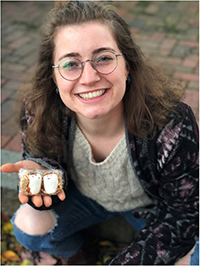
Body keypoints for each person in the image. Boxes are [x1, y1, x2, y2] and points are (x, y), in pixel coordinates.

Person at [1, 1, 199, 265]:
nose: (89, 77)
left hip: (152, 210)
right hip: (83, 200)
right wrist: (44, 177)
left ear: (127, 65)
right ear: (54, 78)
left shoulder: (171, 120)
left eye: (104, 58)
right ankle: (76, 254)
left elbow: (183, 217)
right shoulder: (39, 109)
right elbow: (44, 165)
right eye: (70, 64)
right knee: (29, 221)